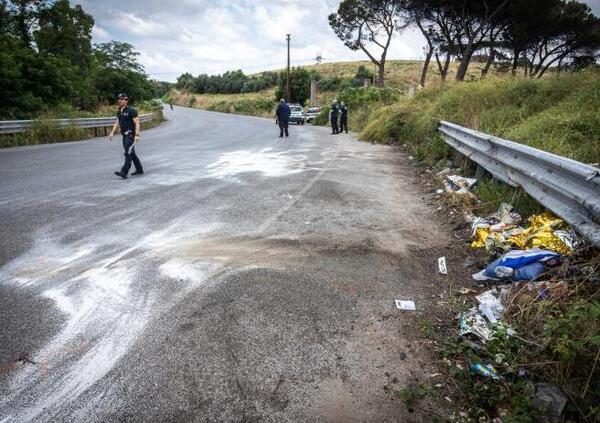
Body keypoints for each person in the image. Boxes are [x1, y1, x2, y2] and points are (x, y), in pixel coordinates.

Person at [109, 93, 143, 179]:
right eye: (119, 99)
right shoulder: (119, 111)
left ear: (126, 100)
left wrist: (137, 135)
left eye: (121, 99)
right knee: (131, 153)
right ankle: (139, 169)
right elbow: (117, 122)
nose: (119, 100)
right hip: (124, 135)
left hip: (131, 135)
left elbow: (137, 123)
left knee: (128, 152)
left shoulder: (131, 111)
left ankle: (124, 172)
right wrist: (112, 132)